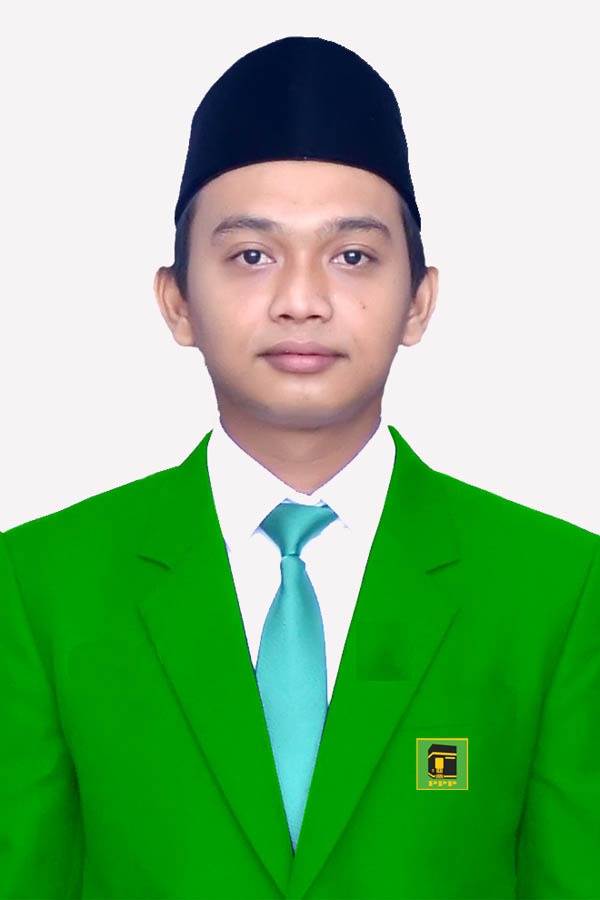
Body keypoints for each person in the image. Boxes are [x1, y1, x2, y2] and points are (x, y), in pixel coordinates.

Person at [1, 35, 599, 900]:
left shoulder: (556, 588)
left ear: (419, 301)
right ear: (176, 301)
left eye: (352, 255)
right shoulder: (41, 586)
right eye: (252, 255)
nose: (302, 299)